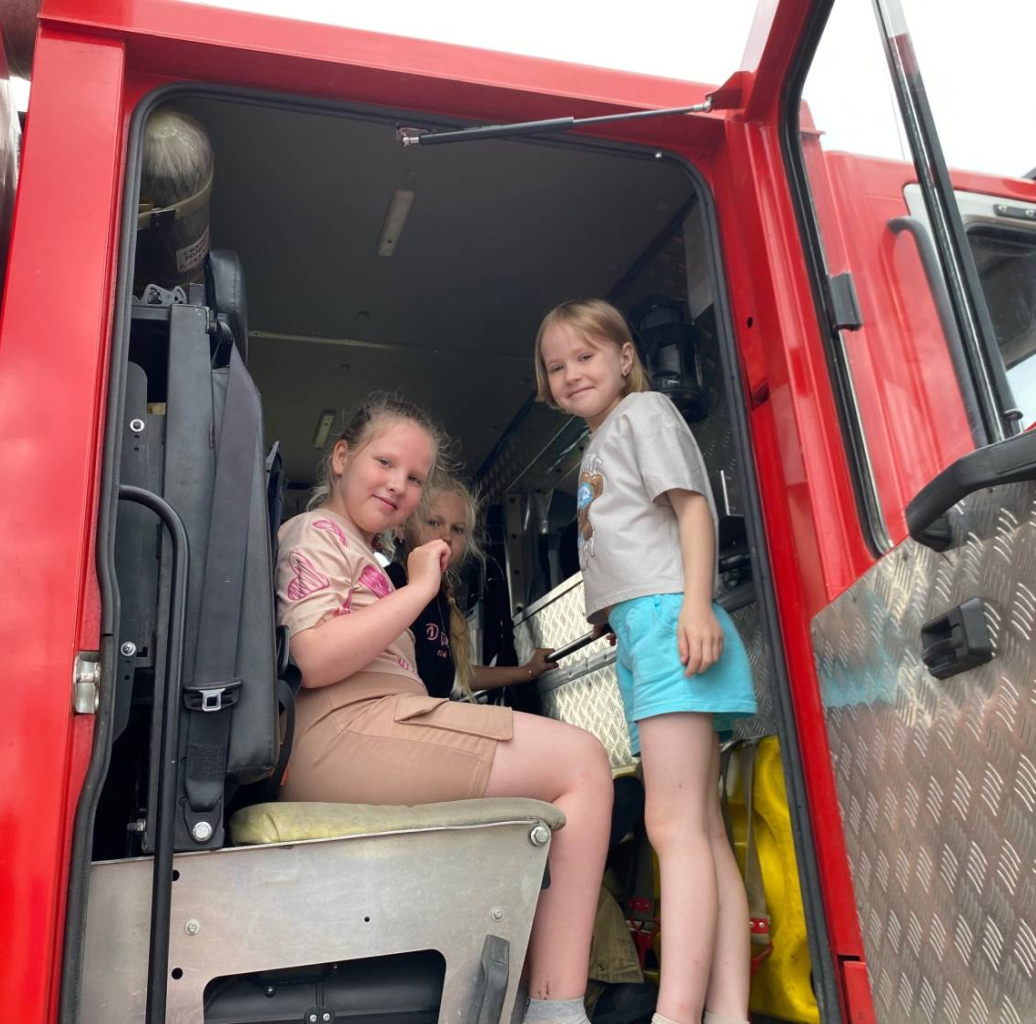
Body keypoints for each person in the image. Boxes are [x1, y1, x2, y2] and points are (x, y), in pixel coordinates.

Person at [275, 394, 613, 1024]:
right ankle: (558, 1009)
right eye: (384, 463)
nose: (397, 485)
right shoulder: (314, 532)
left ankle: (539, 995)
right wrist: (420, 588)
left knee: (578, 764)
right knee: (583, 763)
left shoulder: (364, 555)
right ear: (341, 457)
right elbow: (312, 657)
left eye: (414, 478)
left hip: (375, 726)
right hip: (345, 732)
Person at [535, 300, 757, 1024]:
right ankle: (725, 1012)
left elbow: (692, 510)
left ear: (626, 356)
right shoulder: (597, 443)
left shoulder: (643, 412)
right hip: (644, 627)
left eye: (586, 356)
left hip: (670, 622)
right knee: (698, 829)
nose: (571, 374)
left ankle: (676, 1013)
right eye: (556, 366)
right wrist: (615, 616)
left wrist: (694, 605)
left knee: (671, 827)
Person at [386, 475, 554, 701]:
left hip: (430, 710)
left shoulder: (441, 596)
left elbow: (455, 675)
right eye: (433, 523)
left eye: (458, 529)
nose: (446, 536)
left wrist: (527, 671)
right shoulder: (388, 583)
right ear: (401, 528)